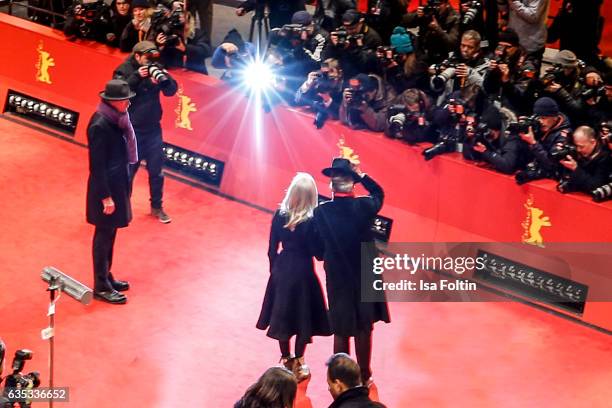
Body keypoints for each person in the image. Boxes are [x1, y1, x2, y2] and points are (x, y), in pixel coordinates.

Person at [313, 158, 390, 386]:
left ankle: (340, 378)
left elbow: (318, 249)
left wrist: (326, 256)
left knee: (341, 327)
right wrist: (362, 173)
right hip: (365, 274)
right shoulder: (365, 206)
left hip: (337, 277)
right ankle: (364, 376)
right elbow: (379, 193)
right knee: (364, 326)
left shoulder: (321, 212)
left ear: (332, 186)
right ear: (353, 184)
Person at [256, 173, 331, 382]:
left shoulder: (279, 215)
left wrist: (275, 271)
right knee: (302, 318)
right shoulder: (312, 221)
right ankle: (299, 361)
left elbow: (271, 249)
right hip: (303, 274)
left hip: (282, 270)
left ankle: (287, 358)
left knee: (282, 317)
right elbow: (318, 253)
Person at [113, 41, 178, 223]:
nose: (150, 63)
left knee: (156, 172)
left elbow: (172, 91)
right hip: (132, 131)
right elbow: (117, 93)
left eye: (153, 59)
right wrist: (136, 77)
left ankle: (157, 207)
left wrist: (164, 79)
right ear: (137, 56)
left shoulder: (155, 68)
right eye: (147, 59)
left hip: (153, 130)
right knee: (128, 171)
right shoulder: (124, 69)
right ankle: (122, 206)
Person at [86, 80, 138, 304]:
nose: (128, 103)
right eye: (125, 99)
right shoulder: (99, 125)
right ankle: (100, 285)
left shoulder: (116, 119)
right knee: (103, 235)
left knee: (111, 233)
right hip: (105, 190)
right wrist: (105, 197)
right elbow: (97, 165)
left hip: (117, 184)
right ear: (113, 101)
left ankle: (106, 276)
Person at [557, 126, 612, 194]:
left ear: (593, 142)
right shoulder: (576, 153)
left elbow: (596, 187)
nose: (578, 149)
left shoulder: (606, 157)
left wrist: (575, 168)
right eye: (576, 146)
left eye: (581, 146)